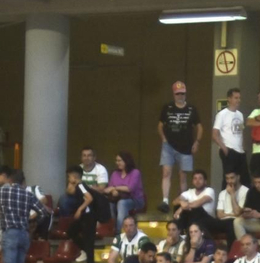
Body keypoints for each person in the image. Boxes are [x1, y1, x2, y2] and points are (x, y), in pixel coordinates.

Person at [156, 81, 202, 212]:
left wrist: (197, 141)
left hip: (186, 147)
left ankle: (183, 201)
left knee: (183, 175)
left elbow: (199, 126)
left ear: (185, 94)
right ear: (174, 95)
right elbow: (160, 125)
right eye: (178, 94)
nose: (180, 96)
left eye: (182, 94)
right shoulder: (167, 107)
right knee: (166, 172)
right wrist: (163, 138)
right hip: (169, 145)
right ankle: (165, 200)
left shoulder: (191, 109)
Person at [213, 87, 248, 184]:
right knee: (229, 178)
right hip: (229, 149)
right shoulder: (222, 114)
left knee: (244, 179)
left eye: (239, 98)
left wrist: (243, 148)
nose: (238, 100)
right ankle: (225, 198)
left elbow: (241, 132)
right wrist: (224, 148)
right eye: (236, 98)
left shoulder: (240, 115)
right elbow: (215, 134)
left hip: (240, 151)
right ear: (229, 99)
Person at [106, 152, 145, 225]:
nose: (117, 163)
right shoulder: (115, 173)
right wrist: (114, 190)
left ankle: (119, 231)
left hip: (135, 200)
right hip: (117, 198)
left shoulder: (135, 172)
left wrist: (115, 188)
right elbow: (109, 188)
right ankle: (111, 227)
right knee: (109, 204)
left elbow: (130, 188)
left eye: (119, 160)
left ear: (126, 161)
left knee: (122, 203)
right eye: (116, 161)